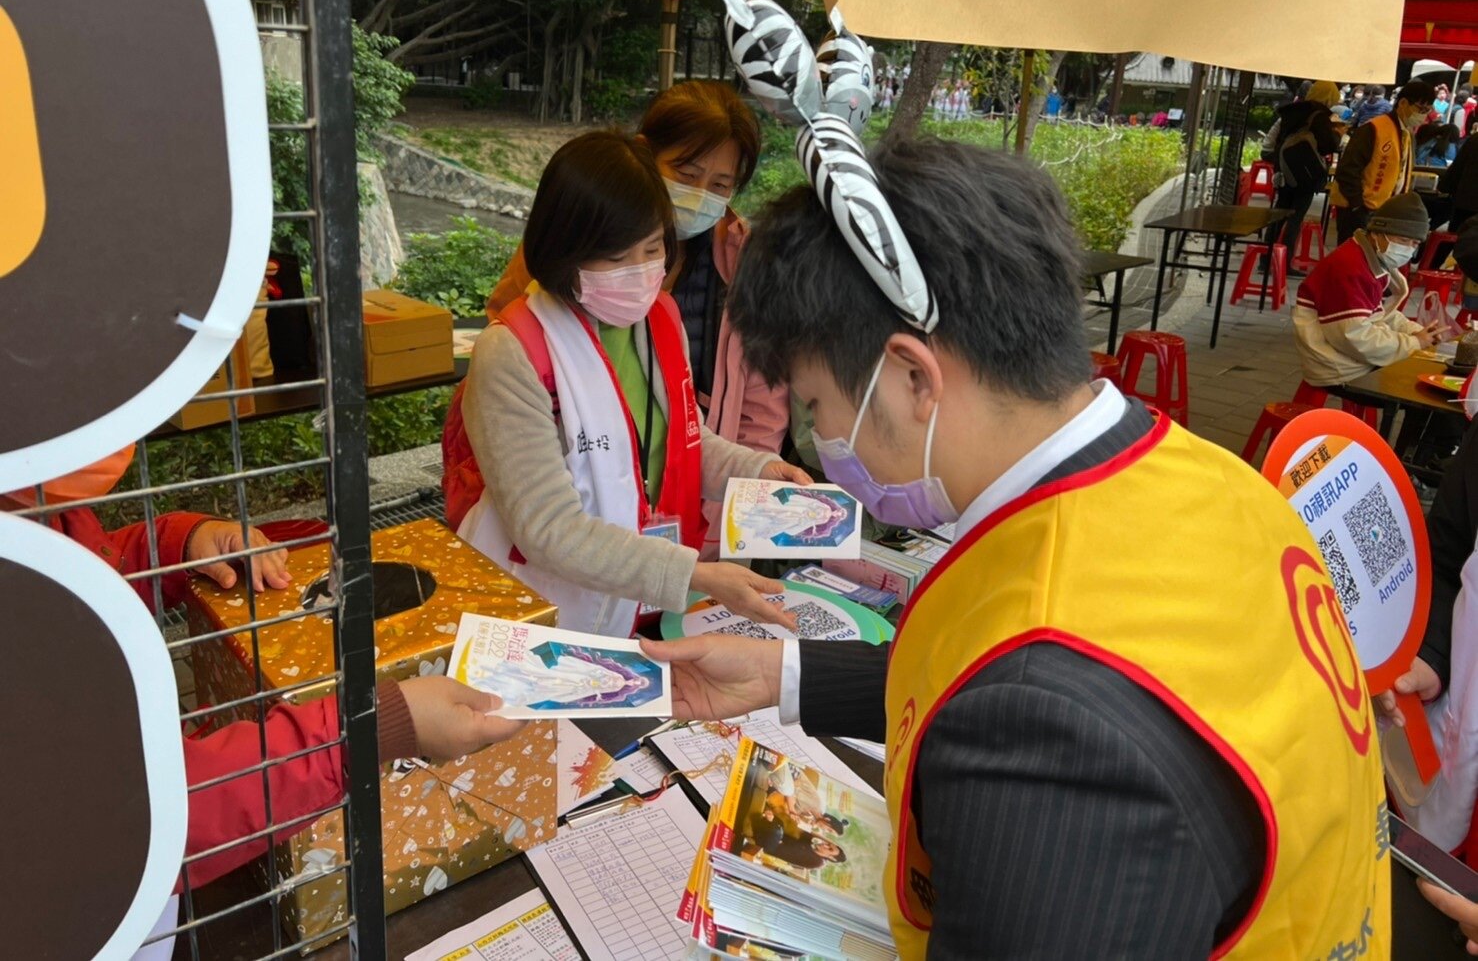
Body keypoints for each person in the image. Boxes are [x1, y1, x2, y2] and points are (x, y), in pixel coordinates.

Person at [643, 136, 1388, 958]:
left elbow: (1043, 687)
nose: (823, 442)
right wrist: (785, 673)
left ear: (914, 378)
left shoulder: (1042, 735)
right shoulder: (1211, 480)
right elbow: (1053, 657)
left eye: (816, 407)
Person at [4, 452, 523, 923]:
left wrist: (174, 543)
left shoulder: (34, 497)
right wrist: (370, 729)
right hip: (86, 919)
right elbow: (121, 813)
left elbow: (84, 569)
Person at [458, 130, 806, 636]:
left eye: (651, 249)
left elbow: (684, 441)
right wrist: (693, 574)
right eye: (615, 258)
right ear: (563, 249)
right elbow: (547, 528)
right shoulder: (512, 351)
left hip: (632, 600)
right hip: (541, 610)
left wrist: (758, 471)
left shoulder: (659, 318)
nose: (639, 272)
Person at [1292, 192, 1443, 390]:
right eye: (1403, 240)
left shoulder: (1368, 257)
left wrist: (1415, 332)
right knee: (1417, 385)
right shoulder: (1351, 268)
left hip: (1343, 351)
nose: (1408, 249)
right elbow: (1353, 337)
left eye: (1414, 244)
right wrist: (1414, 343)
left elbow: (1377, 312)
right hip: (1335, 364)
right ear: (1377, 233)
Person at [1331, 79, 1435, 243]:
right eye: (1421, 109)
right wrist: (1358, 206)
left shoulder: (1407, 134)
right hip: (1359, 208)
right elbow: (1348, 169)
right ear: (1403, 103)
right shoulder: (1373, 128)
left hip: (1386, 210)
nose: (1423, 115)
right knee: (1354, 252)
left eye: (1427, 110)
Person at [1267, 79, 1345, 262]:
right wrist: (1338, 133)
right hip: (1306, 174)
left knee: (1279, 214)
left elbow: (1280, 141)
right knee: (1295, 217)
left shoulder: (1293, 111)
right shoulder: (1320, 116)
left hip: (1285, 169)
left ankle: (1266, 257)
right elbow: (1328, 146)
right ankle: (1284, 262)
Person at [1442, 129, 1478, 233]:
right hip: (1467, 202)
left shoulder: (1475, 139)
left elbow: (1457, 169)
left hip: (1466, 203)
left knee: (1459, 238)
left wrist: (1445, 187)